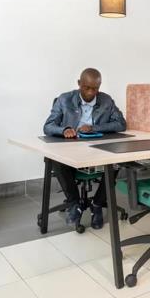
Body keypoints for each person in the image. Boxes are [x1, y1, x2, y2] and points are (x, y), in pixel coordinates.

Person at [43, 68, 126, 229]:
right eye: (86, 87)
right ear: (79, 83)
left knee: (116, 159)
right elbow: (48, 126)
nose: (90, 93)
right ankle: (74, 203)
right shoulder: (64, 99)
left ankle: (98, 203)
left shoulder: (106, 100)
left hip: (97, 148)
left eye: (94, 89)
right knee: (55, 159)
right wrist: (64, 129)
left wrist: (94, 127)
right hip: (70, 149)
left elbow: (121, 124)